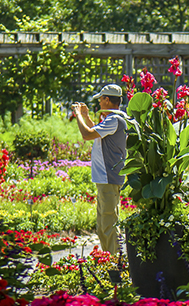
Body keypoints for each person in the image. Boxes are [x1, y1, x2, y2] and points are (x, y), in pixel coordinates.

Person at [71, 84, 127, 254]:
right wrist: (87, 118)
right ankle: (108, 261)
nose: (99, 102)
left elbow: (87, 135)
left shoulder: (114, 119)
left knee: (108, 224)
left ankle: (116, 265)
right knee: (103, 225)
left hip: (108, 177)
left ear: (107, 100)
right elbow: (97, 132)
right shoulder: (113, 119)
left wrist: (79, 115)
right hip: (106, 178)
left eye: (101, 99)